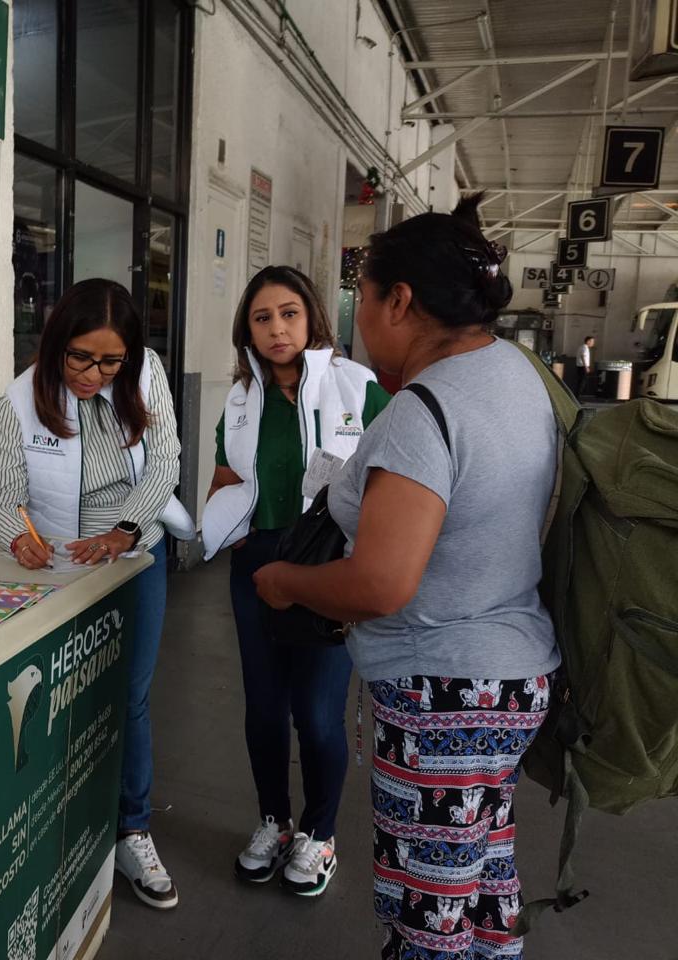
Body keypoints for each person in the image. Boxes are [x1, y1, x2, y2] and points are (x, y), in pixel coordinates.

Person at [253, 195, 560, 959]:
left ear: (399, 301)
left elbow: (381, 584)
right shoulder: (517, 376)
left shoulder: (426, 412)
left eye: (364, 300)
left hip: (445, 698)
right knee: (480, 889)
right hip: (512, 680)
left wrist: (289, 580)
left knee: (427, 918)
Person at [0, 278, 194, 910]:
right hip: (57, 565)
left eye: (109, 361)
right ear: (56, 344)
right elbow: (0, 497)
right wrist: (19, 538)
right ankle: (60, 825)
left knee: (127, 696)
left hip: (133, 556)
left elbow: (164, 462)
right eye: (80, 357)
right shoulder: (20, 398)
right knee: (56, 698)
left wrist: (125, 530)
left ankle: (131, 827)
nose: (93, 373)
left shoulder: (144, 374)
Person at [202, 265, 390, 897]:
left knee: (315, 713)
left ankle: (319, 834)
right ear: (247, 331)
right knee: (263, 709)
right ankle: (274, 824)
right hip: (255, 563)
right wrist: (211, 519)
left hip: (325, 564)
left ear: (312, 317)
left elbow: (390, 474)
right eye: (262, 318)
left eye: (288, 314)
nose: (277, 328)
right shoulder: (240, 400)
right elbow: (229, 475)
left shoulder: (357, 388)